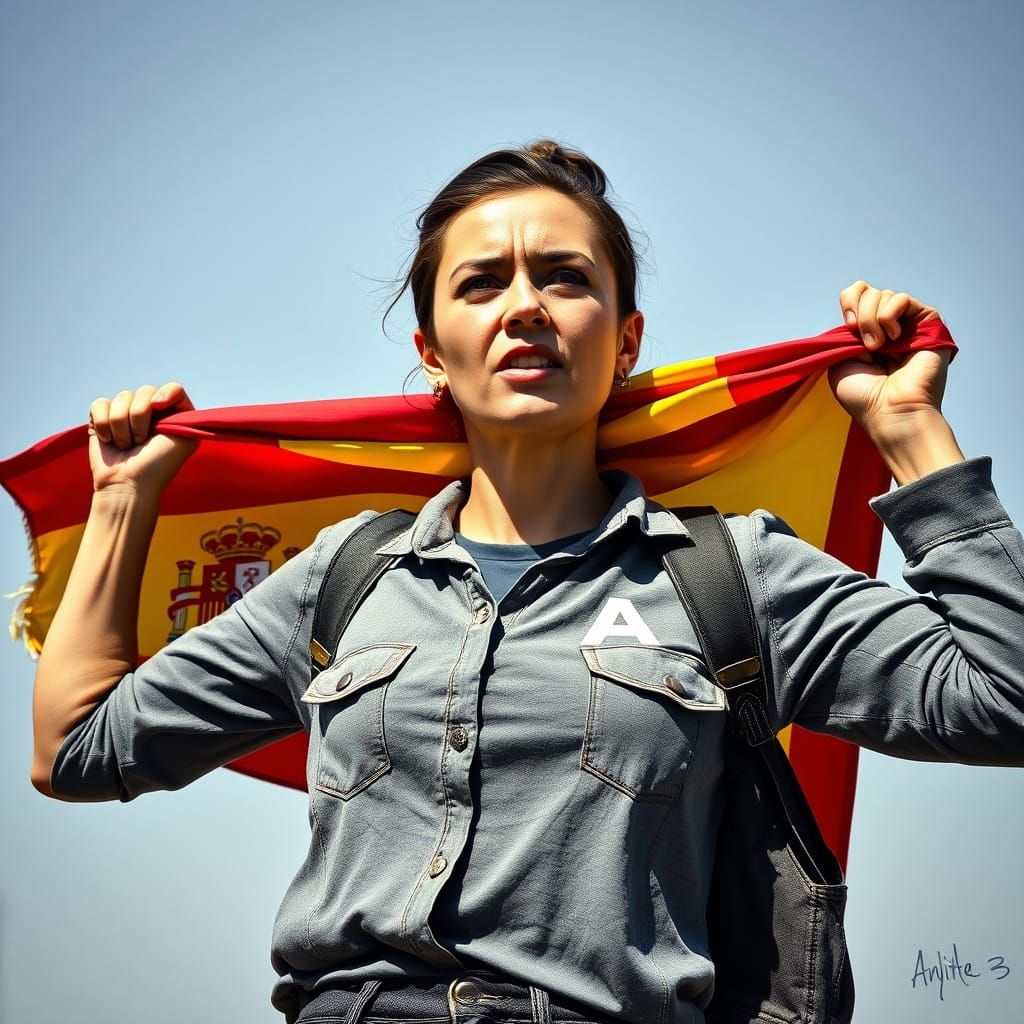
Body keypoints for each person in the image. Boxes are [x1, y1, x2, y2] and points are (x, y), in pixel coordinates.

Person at [31, 141, 1024, 1024]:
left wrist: (910, 433)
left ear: (626, 339)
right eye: (480, 284)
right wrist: (121, 501)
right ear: (431, 353)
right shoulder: (342, 576)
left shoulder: (733, 575)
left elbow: (1005, 698)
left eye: (562, 277)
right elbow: (76, 746)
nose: (524, 307)